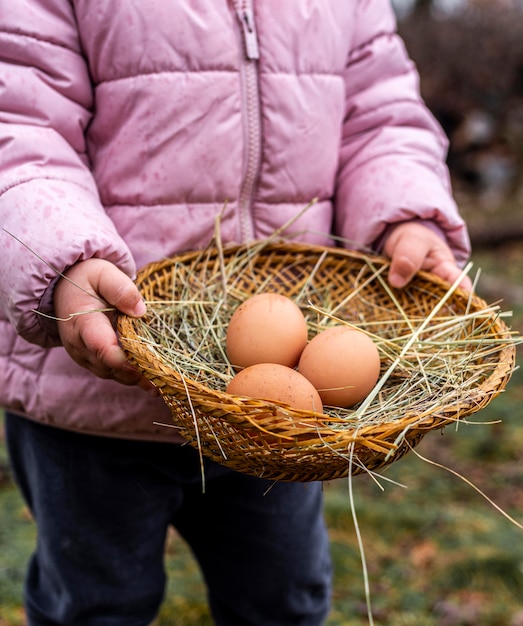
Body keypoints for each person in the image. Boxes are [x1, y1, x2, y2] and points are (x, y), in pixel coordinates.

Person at [0, 1, 471, 625]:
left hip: (275, 430)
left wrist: (404, 212)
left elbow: (380, 118)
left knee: (281, 601)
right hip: (93, 396)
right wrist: (62, 260)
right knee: (94, 605)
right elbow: (19, 125)